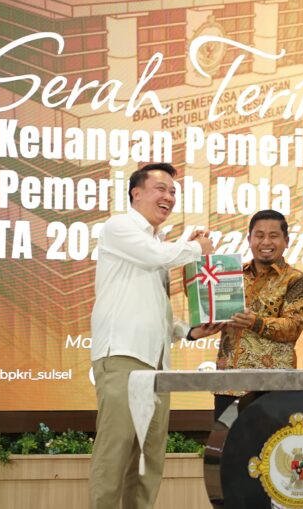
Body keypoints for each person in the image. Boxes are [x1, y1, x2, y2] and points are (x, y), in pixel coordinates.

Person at [89, 162, 223, 509]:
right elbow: (155, 257)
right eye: (161, 189)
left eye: (173, 192)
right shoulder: (119, 227)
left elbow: (157, 309)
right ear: (136, 193)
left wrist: (188, 331)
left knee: (148, 460)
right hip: (123, 356)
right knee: (115, 452)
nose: (169, 197)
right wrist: (196, 248)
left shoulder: (158, 244)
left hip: (157, 365)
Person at [213, 209, 303, 419]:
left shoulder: (296, 279)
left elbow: (293, 327)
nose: (266, 242)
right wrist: (195, 255)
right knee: (228, 439)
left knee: (270, 440)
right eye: (259, 235)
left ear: (286, 241)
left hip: (274, 386)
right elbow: (203, 301)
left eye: (273, 236)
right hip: (229, 384)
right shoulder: (231, 275)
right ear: (249, 240)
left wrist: (255, 322)